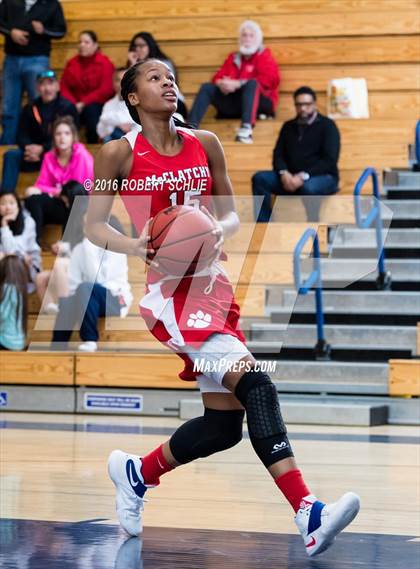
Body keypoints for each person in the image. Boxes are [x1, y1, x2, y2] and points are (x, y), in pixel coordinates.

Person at [86, 59, 360, 557]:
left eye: (171, 76)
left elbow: (233, 213)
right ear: (131, 97)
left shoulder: (205, 143)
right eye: (154, 77)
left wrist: (218, 229)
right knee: (257, 383)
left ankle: (136, 473)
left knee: (221, 428)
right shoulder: (116, 155)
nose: (168, 82)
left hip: (213, 286)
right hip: (170, 296)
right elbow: (93, 226)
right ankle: (308, 511)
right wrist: (137, 245)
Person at [252, 86, 340, 222]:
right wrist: (283, 173)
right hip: (290, 177)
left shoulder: (328, 126)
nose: (303, 108)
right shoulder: (288, 126)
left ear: (314, 104)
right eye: (299, 104)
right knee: (259, 179)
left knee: (309, 188)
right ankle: (264, 225)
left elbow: (329, 160)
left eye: (307, 104)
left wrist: (303, 176)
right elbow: (278, 154)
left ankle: (314, 227)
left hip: (322, 177)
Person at [51, 213, 132, 352]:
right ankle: (57, 345)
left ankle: (90, 339)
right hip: (87, 299)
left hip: (115, 299)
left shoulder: (117, 247)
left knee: (85, 288)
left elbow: (99, 279)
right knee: (68, 299)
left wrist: (89, 245)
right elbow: (72, 283)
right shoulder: (79, 249)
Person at [188, 20, 280, 143]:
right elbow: (216, 77)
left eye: (251, 35)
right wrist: (222, 83)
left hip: (261, 103)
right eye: (244, 35)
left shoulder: (264, 56)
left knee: (252, 84)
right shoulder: (233, 57)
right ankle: (190, 129)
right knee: (207, 87)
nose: (247, 38)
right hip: (237, 102)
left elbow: (270, 80)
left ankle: (246, 129)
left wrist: (238, 83)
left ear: (258, 39)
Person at [1, 70, 78, 195]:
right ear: (37, 87)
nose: (47, 88)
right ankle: (6, 197)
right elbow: (21, 135)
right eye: (42, 84)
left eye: (50, 83)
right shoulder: (30, 107)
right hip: (32, 155)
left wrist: (43, 148)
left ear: (57, 86)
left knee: (60, 152)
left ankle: (61, 195)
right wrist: (29, 148)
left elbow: (70, 137)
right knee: (11, 156)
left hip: (55, 153)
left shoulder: (67, 107)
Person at [0, 0, 66, 145]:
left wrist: (44, 30)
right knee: (8, 107)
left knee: (41, 105)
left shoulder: (51, 3)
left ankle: (40, 145)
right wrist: (11, 32)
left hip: (38, 59)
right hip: (11, 59)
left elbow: (61, 30)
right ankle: (6, 147)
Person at [24, 117, 93, 240]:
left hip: (81, 204)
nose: (62, 137)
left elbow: (81, 189)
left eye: (67, 133)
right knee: (32, 198)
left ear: (73, 137)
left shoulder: (82, 156)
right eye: (58, 134)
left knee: (74, 194)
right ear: (54, 138)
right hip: (59, 203)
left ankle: (66, 243)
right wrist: (58, 193)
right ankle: (35, 243)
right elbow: (40, 185)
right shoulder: (49, 157)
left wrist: (57, 192)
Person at [60, 30, 115, 143]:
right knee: (65, 109)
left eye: (86, 42)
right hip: (75, 105)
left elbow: (106, 89)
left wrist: (83, 102)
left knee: (91, 111)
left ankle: (92, 144)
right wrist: (73, 104)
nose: (82, 45)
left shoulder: (105, 63)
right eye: (80, 42)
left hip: (96, 105)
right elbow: (64, 87)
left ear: (95, 45)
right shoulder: (72, 63)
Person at [127, 31, 187, 120]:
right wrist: (133, 64)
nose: (138, 49)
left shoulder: (163, 63)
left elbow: (168, 84)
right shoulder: (134, 65)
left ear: (150, 46)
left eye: (142, 46)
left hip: (171, 98)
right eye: (135, 46)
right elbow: (129, 87)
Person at [0, 192, 41, 294]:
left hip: (26, 267)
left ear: (18, 205)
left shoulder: (28, 222)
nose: (8, 207)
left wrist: (4, 226)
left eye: (11, 203)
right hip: (4, 266)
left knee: (12, 260)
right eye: (3, 203)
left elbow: (13, 251)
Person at [97, 68, 141, 142]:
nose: (121, 83)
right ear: (113, 83)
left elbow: (141, 125)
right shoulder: (109, 104)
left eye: (124, 80)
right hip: (115, 139)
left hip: (137, 140)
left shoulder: (140, 101)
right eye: (118, 80)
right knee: (109, 137)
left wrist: (112, 122)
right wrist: (119, 126)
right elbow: (100, 129)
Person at [0, 254, 28, 351]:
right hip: (19, 341)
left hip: (6, 341)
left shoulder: (8, 289)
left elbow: (2, 315)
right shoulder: (20, 290)